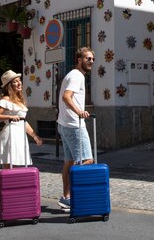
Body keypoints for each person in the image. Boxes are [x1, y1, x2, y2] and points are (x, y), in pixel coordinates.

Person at [0, 70, 43, 217]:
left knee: (17, 170)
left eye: (19, 80)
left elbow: (24, 122)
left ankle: (13, 202)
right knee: (9, 171)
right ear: (8, 86)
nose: (19, 83)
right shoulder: (6, 100)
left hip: (19, 136)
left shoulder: (19, 100)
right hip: (10, 135)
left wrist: (35, 136)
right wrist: (10, 117)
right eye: (15, 82)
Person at [56, 47, 95, 211]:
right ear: (79, 60)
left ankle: (66, 197)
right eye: (88, 58)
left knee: (70, 162)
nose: (91, 61)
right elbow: (66, 96)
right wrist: (79, 111)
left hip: (64, 124)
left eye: (92, 59)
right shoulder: (77, 76)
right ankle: (76, 195)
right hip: (74, 125)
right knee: (87, 160)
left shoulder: (72, 75)